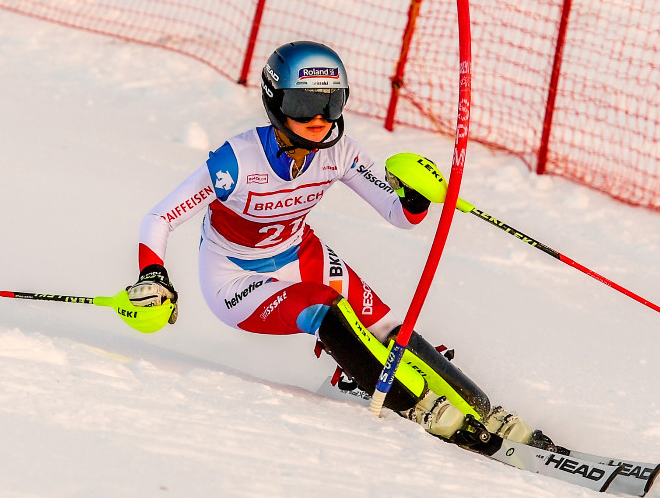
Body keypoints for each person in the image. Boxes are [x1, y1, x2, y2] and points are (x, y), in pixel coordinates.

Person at [126, 40, 555, 449]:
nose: (321, 119)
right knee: (326, 307)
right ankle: (420, 407)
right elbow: (160, 217)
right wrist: (153, 276)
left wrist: (415, 196)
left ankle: (483, 411)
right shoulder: (235, 162)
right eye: (305, 105)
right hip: (234, 278)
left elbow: (398, 215)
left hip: (300, 253)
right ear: (276, 103)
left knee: (388, 328)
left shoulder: (339, 151)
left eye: (332, 103)